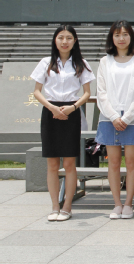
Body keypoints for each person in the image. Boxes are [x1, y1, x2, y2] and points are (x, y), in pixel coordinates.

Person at [31, 25, 94, 222]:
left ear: (75, 41)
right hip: (50, 112)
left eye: (68, 38)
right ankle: (54, 206)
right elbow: (37, 91)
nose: (64, 41)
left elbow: (87, 93)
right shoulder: (46, 62)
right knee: (52, 163)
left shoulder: (81, 63)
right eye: (61, 37)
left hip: (71, 113)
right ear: (55, 40)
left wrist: (72, 108)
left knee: (69, 163)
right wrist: (52, 108)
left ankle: (67, 206)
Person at [95, 21, 134, 220]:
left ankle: (129, 203)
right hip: (109, 117)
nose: (121, 38)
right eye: (117, 35)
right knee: (113, 162)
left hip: (132, 118)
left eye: (125, 34)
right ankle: (117, 203)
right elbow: (101, 92)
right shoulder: (105, 61)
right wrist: (113, 116)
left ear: (131, 37)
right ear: (112, 38)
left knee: (132, 162)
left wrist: (126, 117)